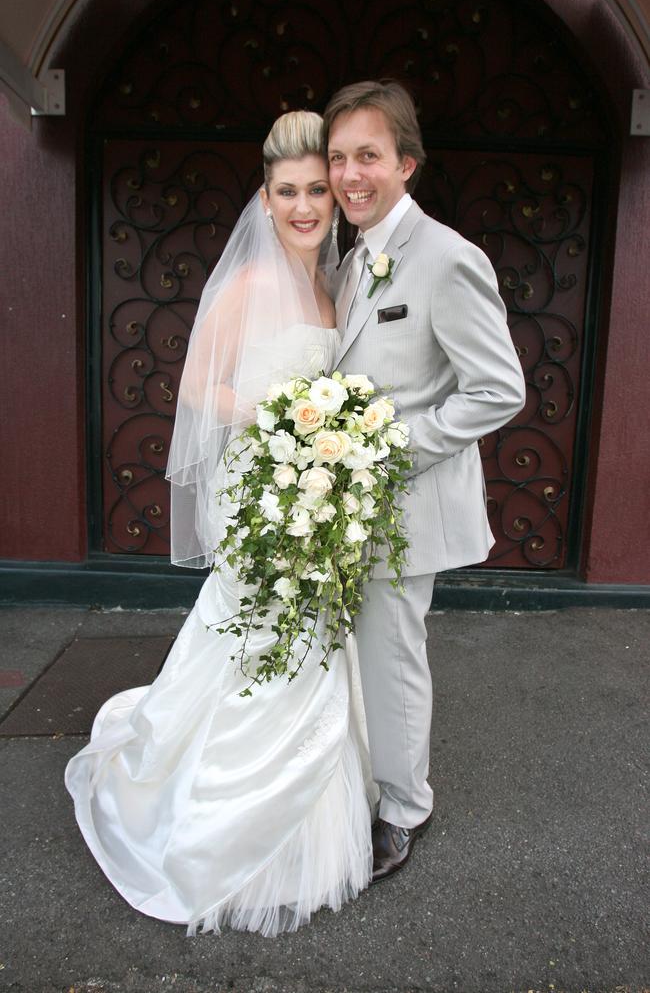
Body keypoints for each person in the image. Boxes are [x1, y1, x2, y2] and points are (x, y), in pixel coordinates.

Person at [65, 111, 377, 937]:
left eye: (318, 189)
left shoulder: (335, 283)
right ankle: (209, 822)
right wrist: (299, 421)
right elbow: (203, 392)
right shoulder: (246, 286)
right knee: (255, 632)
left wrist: (332, 435)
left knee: (315, 638)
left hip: (315, 485)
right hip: (266, 483)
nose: (306, 206)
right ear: (265, 198)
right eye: (289, 192)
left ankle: (304, 822)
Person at [323, 80, 526, 882]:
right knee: (355, 651)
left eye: (367, 155)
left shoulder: (447, 258)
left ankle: (405, 807)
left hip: (406, 502)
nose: (349, 175)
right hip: (338, 502)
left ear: (407, 162)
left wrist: (387, 450)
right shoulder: (347, 257)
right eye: (339, 158)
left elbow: (498, 389)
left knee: (393, 653)